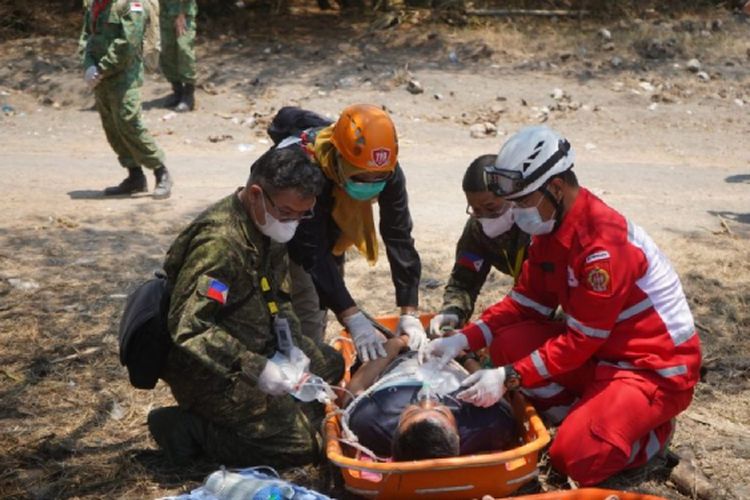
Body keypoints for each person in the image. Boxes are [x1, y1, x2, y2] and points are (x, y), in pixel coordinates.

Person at [423, 125, 701, 485]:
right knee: (506, 343)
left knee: (573, 458)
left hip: (652, 369)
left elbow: (580, 342)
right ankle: (585, 417)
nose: (517, 211)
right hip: (602, 355)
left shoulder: (603, 247)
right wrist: (464, 339)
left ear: (554, 188)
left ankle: (651, 435)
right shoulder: (551, 230)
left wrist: (509, 377)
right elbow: (525, 304)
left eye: (522, 201)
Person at [147, 147, 344, 467]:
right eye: (287, 212)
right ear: (256, 195)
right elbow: (190, 328)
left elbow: (279, 297)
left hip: (261, 345)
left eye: (302, 214)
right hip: (209, 369)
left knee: (330, 363)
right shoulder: (219, 245)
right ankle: (185, 428)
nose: (293, 223)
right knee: (300, 448)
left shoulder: (269, 226)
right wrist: (256, 367)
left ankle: (278, 414)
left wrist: (291, 344)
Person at [267, 104, 427, 362]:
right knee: (305, 299)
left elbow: (399, 235)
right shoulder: (304, 169)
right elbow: (311, 251)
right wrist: (351, 316)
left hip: (330, 225)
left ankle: (311, 346)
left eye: (379, 179)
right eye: (361, 177)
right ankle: (300, 364)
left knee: (328, 291)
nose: (371, 186)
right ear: (339, 158)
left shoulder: (388, 169)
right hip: (286, 229)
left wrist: (409, 310)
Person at [341, 335, 518, 461]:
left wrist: (395, 344)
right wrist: (464, 357)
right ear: (457, 435)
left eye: (412, 412)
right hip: (452, 361)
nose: (427, 398)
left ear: (396, 433)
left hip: (405, 359)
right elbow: (491, 384)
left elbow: (354, 389)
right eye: (440, 410)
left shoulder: (370, 424)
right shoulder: (490, 423)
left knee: (377, 336)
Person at [429, 154, 530, 337]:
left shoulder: (536, 223)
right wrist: (452, 312)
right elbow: (463, 282)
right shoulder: (477, 229)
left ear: (512, 196)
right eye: (475, 209)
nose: (484, 215)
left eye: (491, 208)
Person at [80, 0, 173, 198]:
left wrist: (102, 67)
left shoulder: (131, 4)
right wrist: (88, 64)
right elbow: (88, 37)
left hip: (124, 76)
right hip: (100, 77)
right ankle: (135, 177)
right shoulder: (95, 4)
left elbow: (128, 42)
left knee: (129, 122)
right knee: (112, 127)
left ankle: (161, 172)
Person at [159, 0, 197, 111]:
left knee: (184, 49)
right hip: (163, 12)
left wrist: (181, 14)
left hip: (183, 12)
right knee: (167, 51)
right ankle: (177, 91)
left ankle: (189, 95)